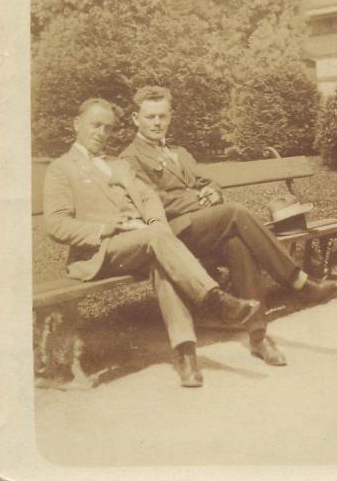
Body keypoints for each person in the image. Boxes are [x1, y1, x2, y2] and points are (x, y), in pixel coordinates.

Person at [120, 86, 337, 368]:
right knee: (236, 213)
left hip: (199, 229)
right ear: (135, 119)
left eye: (162, 116)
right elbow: (151, 201)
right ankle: (298, 282)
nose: (157, 123)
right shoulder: (129, 158)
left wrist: (213, 192)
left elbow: (207, 181)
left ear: (170, 117)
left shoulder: (179, 152)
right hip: (171, 236)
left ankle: (258, 337)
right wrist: (197, 200)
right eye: (150, 116)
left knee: (238, 243)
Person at [43, 98, 261, 388]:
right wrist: (108, 227)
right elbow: (56, 224)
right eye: (95, 125)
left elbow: (148, 197)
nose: (101, 133)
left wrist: (156, 225)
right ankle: (215, 300)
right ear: (76, 125)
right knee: (157, 241)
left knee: (161, 256)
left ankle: (187, 356)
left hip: (144, 241)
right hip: (100, 251)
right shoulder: (61, 168)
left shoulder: (117, 164)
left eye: (107, 128)